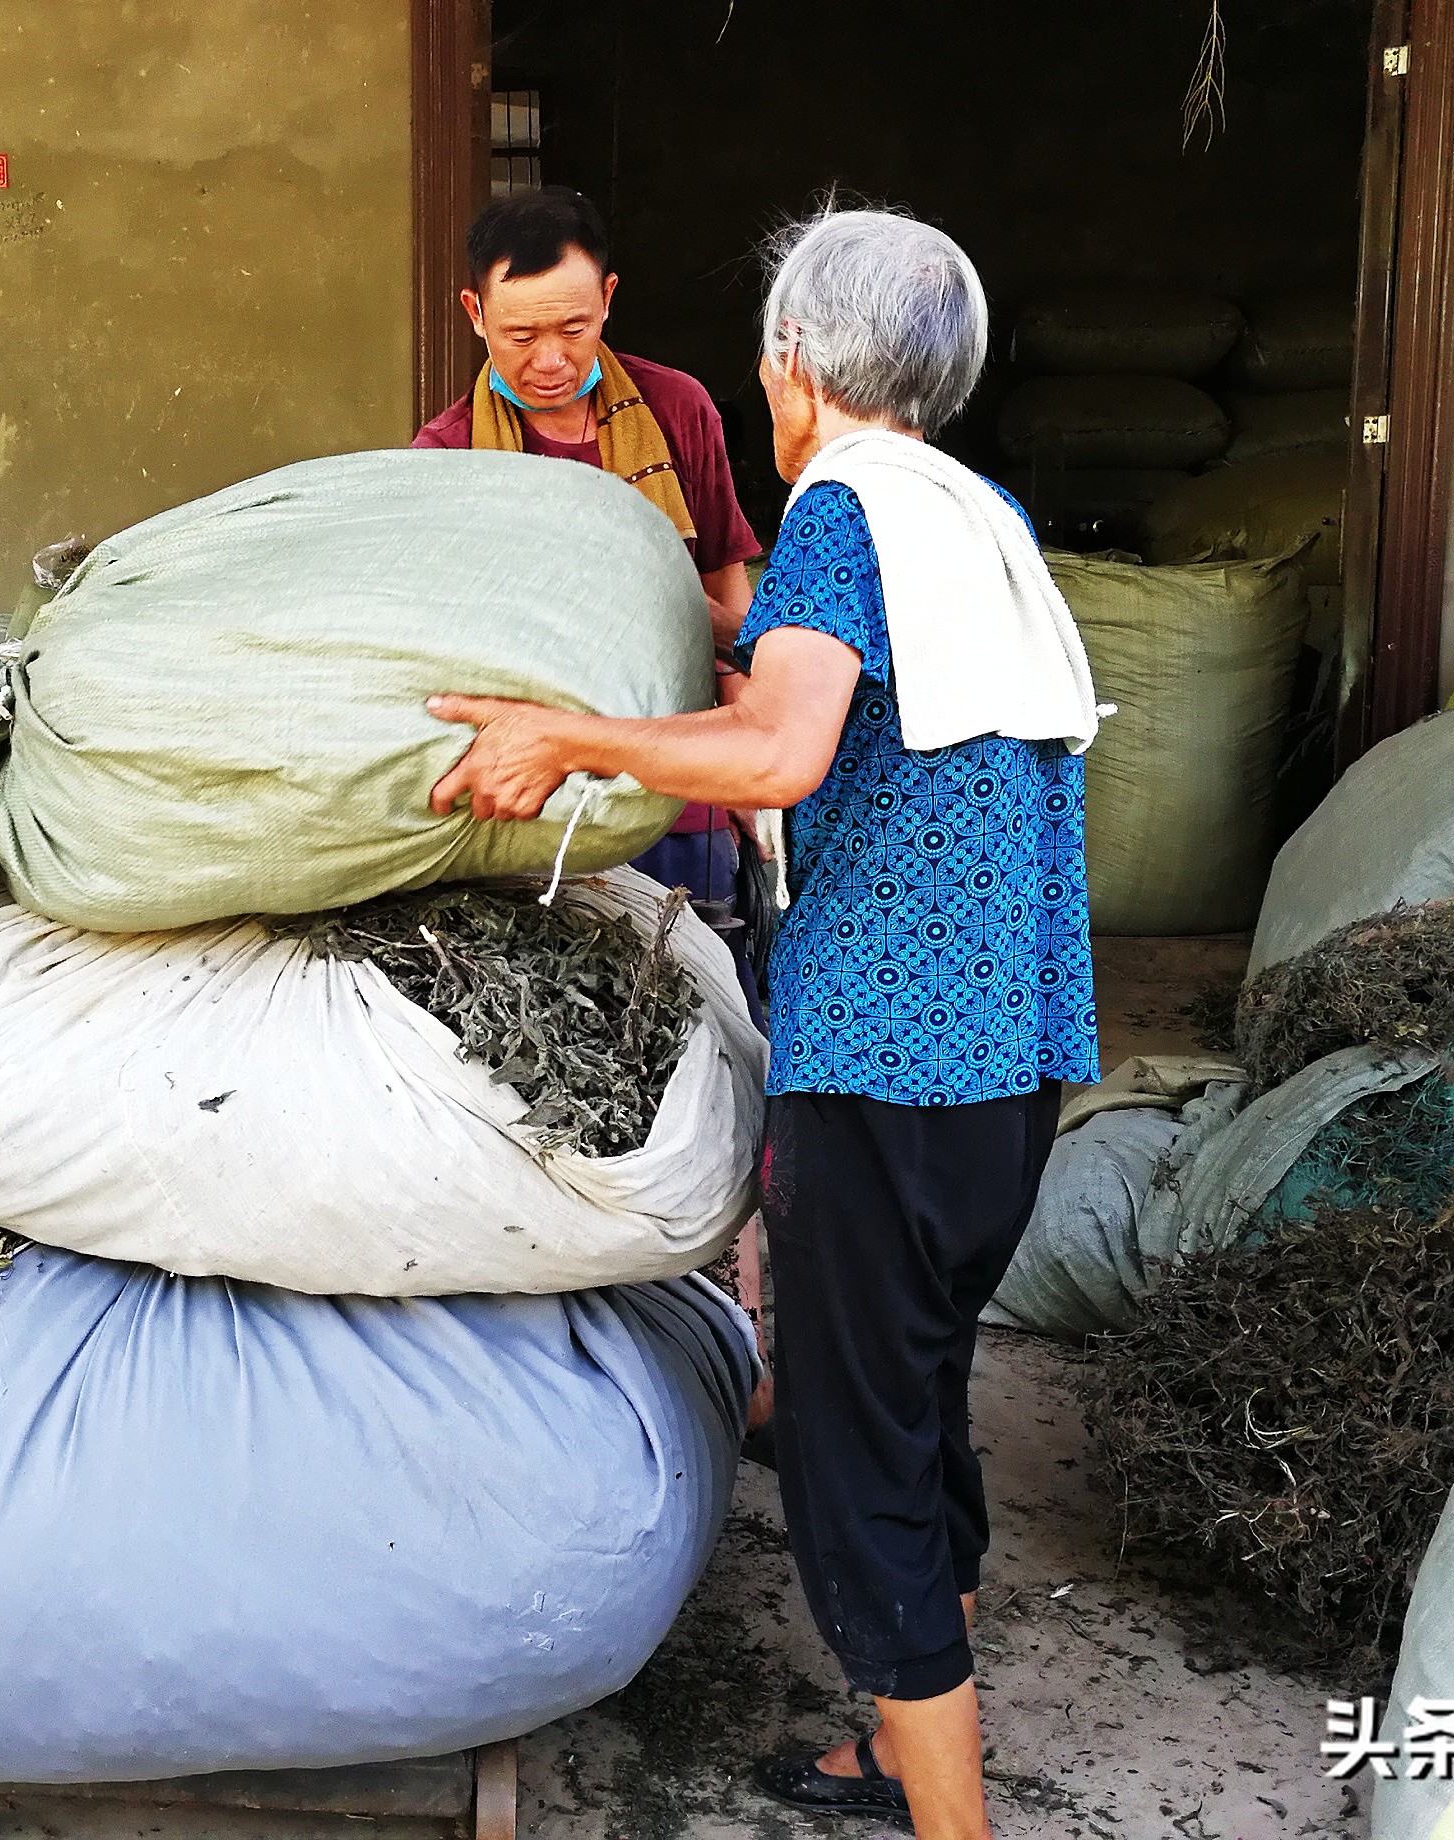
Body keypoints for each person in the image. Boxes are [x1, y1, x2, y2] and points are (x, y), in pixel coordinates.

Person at [423, 208, 1101, 1840]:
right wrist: (636, 720)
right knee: (913, 1393)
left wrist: (566, 739)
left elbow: (782, 752)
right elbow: (819, 720)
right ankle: (887, 1742)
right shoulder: (979, 511)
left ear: (788, 362)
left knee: (845, 1446)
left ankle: (949, 1818)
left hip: (879, 1063)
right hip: (1004, 1071)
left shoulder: (834, 511)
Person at [412, 185, 764, 906]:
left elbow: (726, 577)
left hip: (681, 787)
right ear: (475, 313)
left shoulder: (676, 409)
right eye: (521, 336)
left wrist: (743, 751)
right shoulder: (446, 452)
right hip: (533, 797)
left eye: (573, 328)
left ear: (607, 297)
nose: (550, 360)